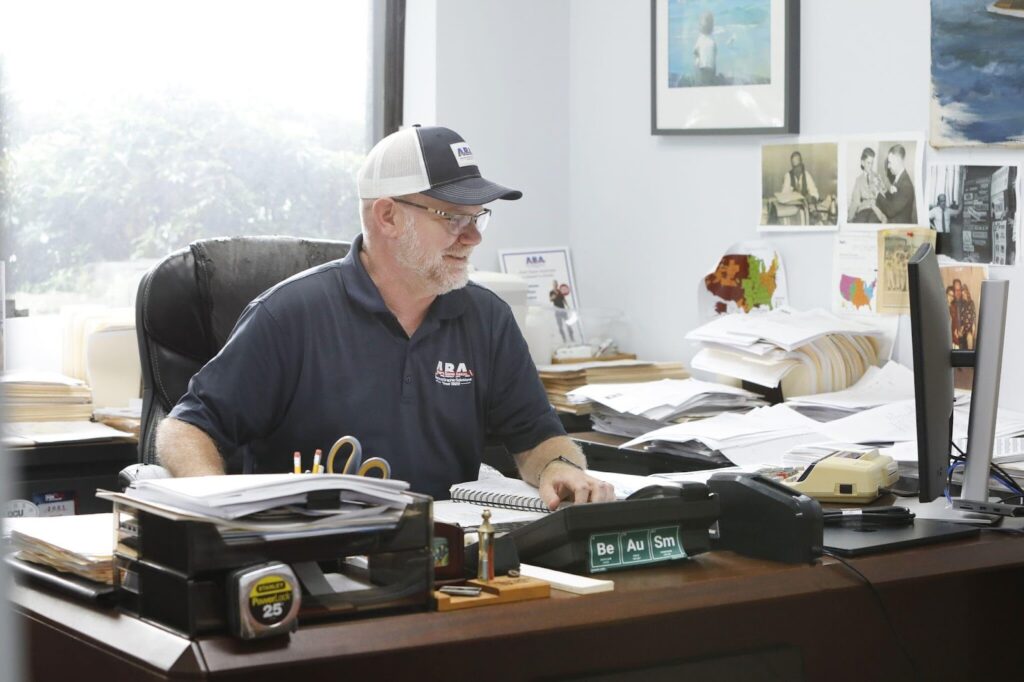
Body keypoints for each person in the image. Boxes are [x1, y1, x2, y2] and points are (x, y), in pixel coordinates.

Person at [155, 125, 615, 509]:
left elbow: (537, 438)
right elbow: (186, 428)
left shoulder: (487, 318)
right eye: (453, 217)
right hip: (314, 556)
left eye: (479, 218)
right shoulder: (289, 315)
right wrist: (215, 508)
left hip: (448, 554)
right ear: (388, 216)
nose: (473, 237)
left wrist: (559, 468)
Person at [875, 144, 917, 224]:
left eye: (890, 162)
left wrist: (877, 194)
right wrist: (884, 190)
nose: (888, 166)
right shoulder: (899, 178)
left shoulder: (906, 185)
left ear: (898, 161)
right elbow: (894, 201)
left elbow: (890, 210)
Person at [848, 148, 886, 223]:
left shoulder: (877, 176)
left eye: (872, 163)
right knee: (859, 222)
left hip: (876, 210)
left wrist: (878, 186)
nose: (870, 166)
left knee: (872, 222)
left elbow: (884, 196)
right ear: (862, 163)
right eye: (868, 163)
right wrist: (849, 219)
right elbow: (855, 201)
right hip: (863, 209)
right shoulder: (859, 180)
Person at [693, 11, 717, 86]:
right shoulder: (712, 41)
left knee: (701, 82)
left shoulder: (700, 39)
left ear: (700, 27)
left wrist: (697, 58)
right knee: (709, 82)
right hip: (711, 69)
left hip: (702, 68)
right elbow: (714, 54)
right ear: (712, 28)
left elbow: (695, 51)